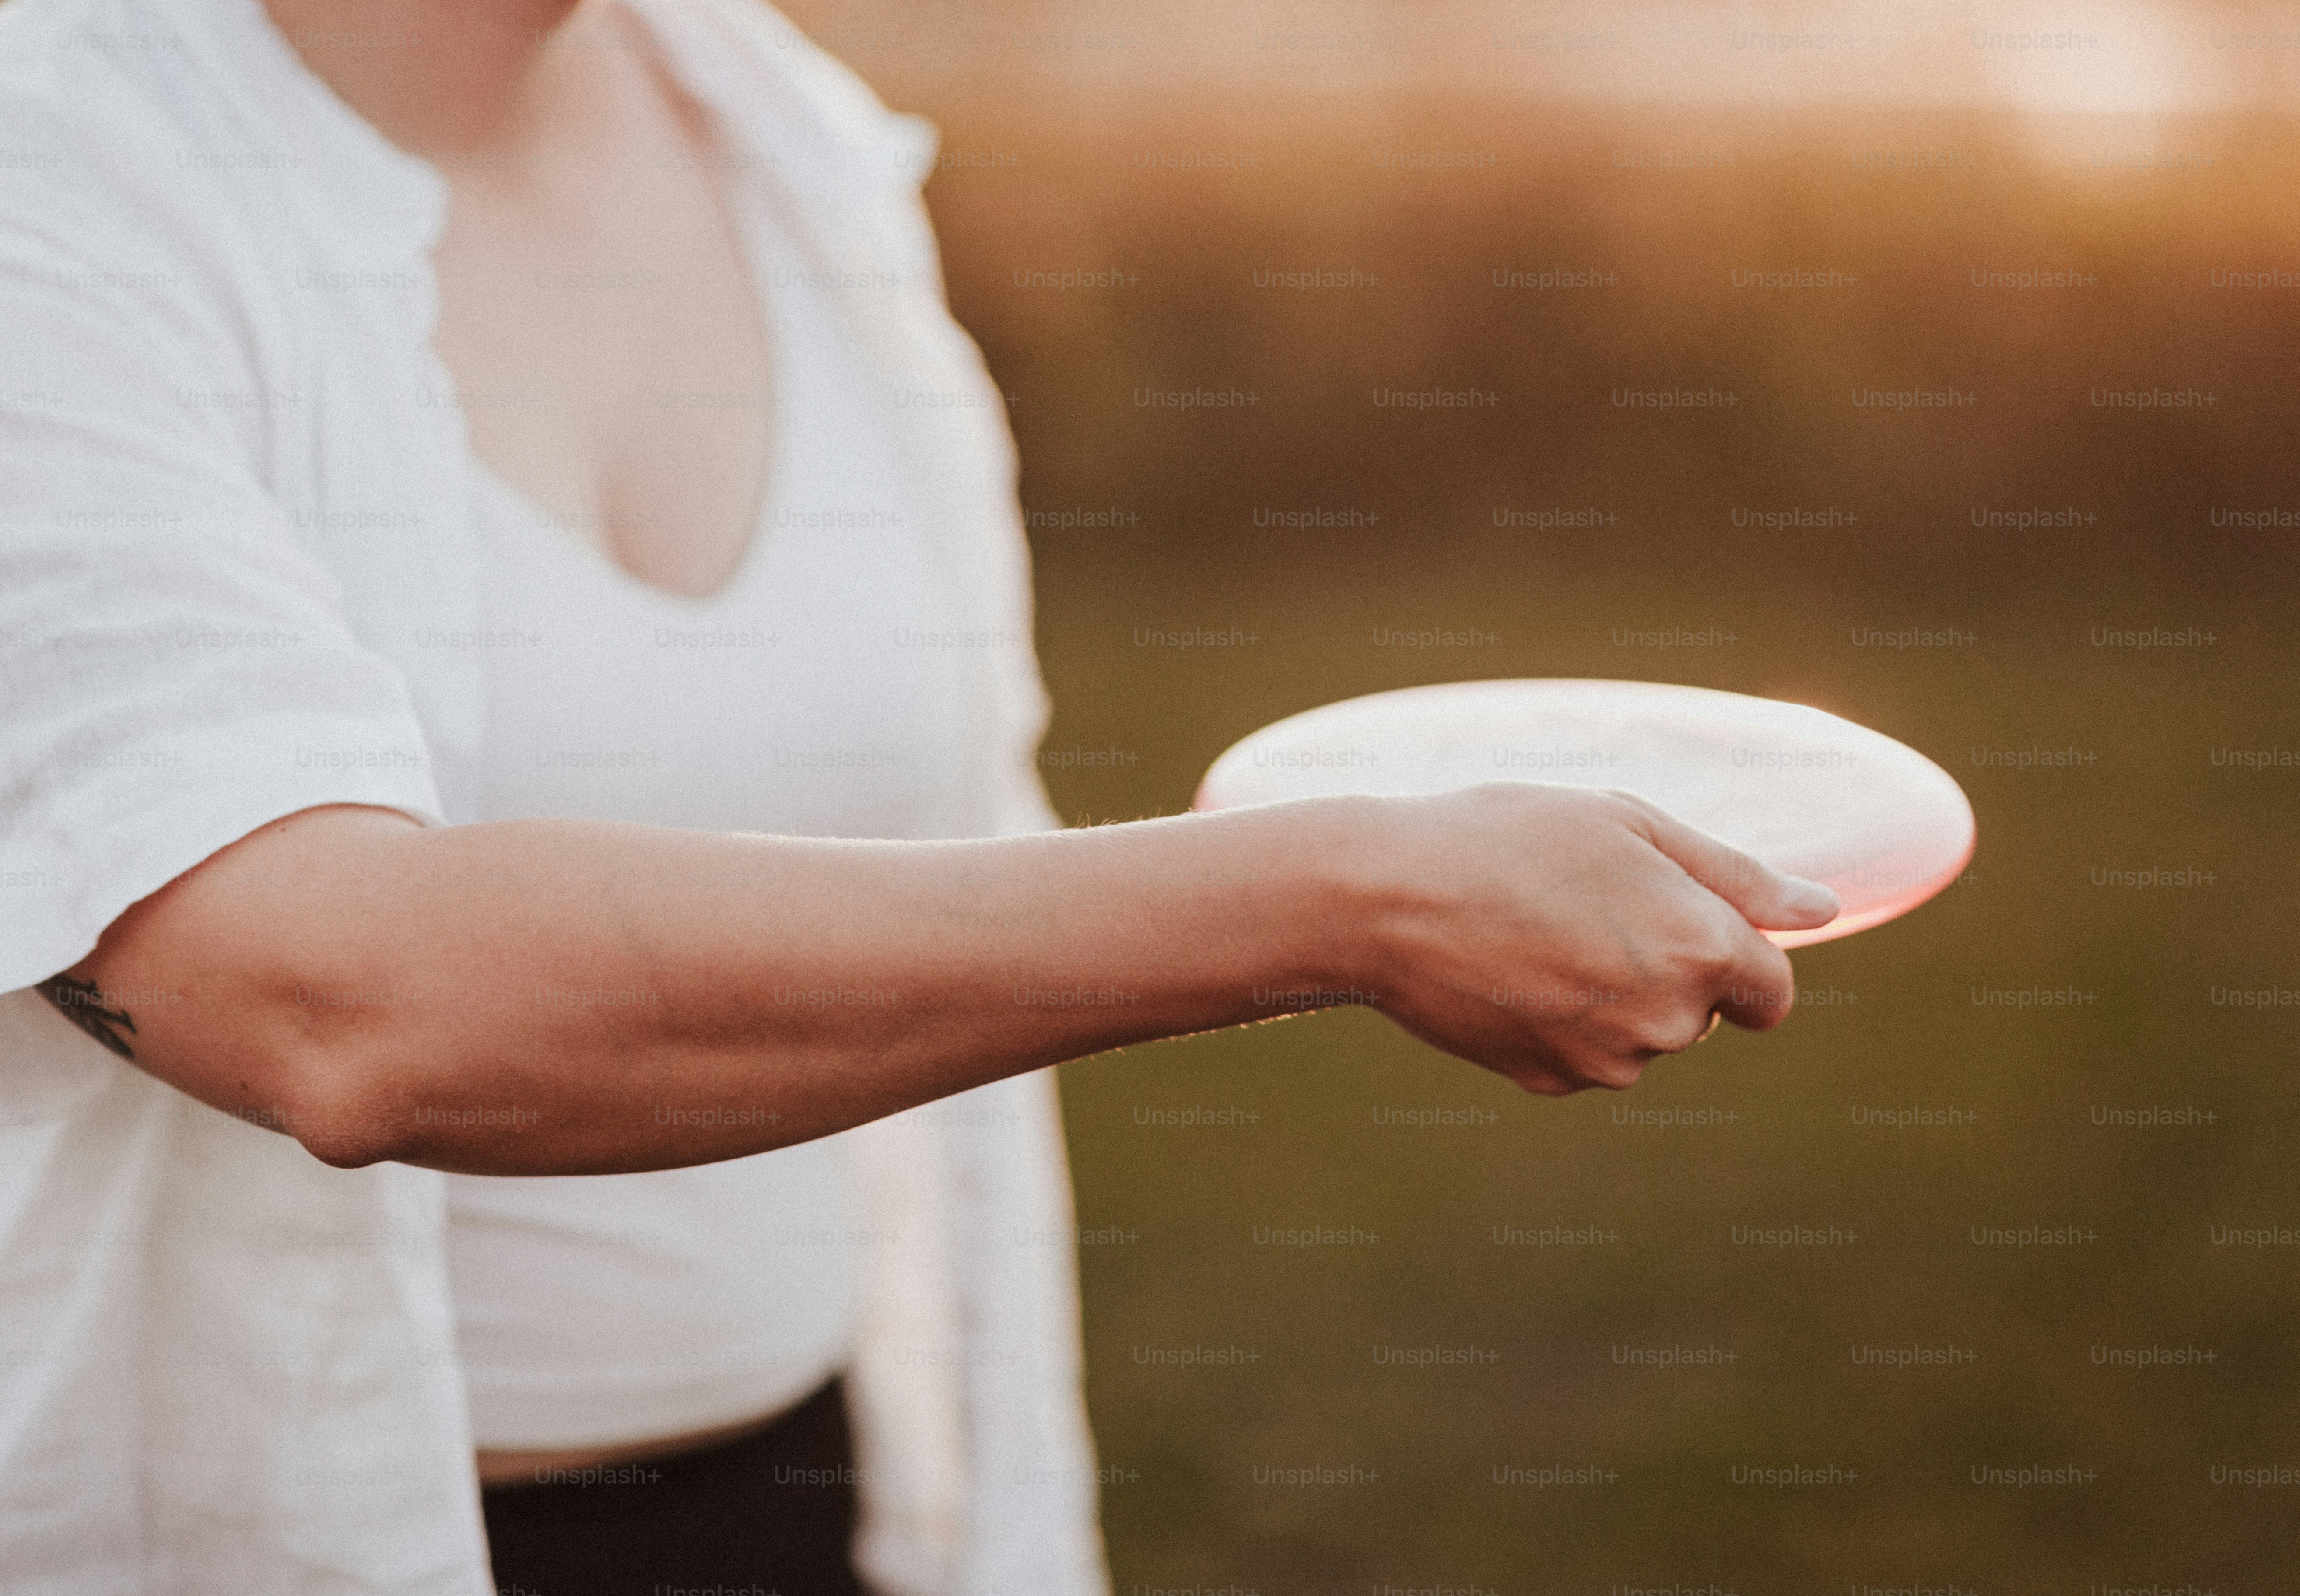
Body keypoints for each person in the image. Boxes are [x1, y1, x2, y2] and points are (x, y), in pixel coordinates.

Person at [0, 0, 1838, 1589]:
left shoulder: (769, 123)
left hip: (806, 1501)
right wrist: (1340, 897)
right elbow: (337, 998)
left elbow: (910, 821)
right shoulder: (56, 173)